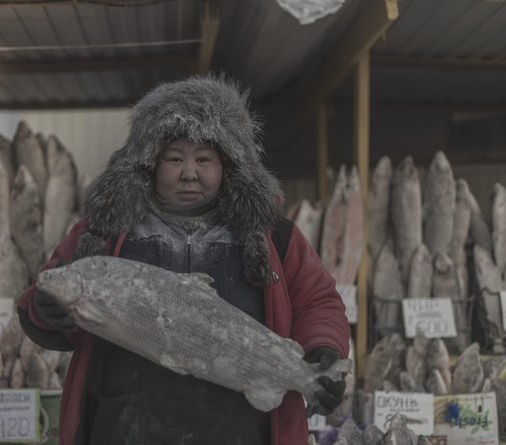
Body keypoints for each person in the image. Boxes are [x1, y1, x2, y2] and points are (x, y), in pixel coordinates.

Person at [17, 76, 350, 445]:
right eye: (174, 158)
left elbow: (317, 301)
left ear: (228, 165)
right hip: (125, 427)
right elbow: (46, 293)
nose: (190, 172)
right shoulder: (103, 232)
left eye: (204, 159)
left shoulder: (274, 236)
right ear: (148, 164)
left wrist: (322, 349)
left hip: (241, 429)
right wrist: (45, 308)